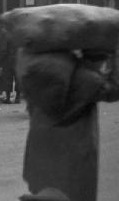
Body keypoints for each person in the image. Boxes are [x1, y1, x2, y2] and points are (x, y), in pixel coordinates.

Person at [20, 48, 119, 201]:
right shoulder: (87, 79)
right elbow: (115, 90)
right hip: (71, 162)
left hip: (39, 154)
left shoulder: (48, 71)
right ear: (96, 62)